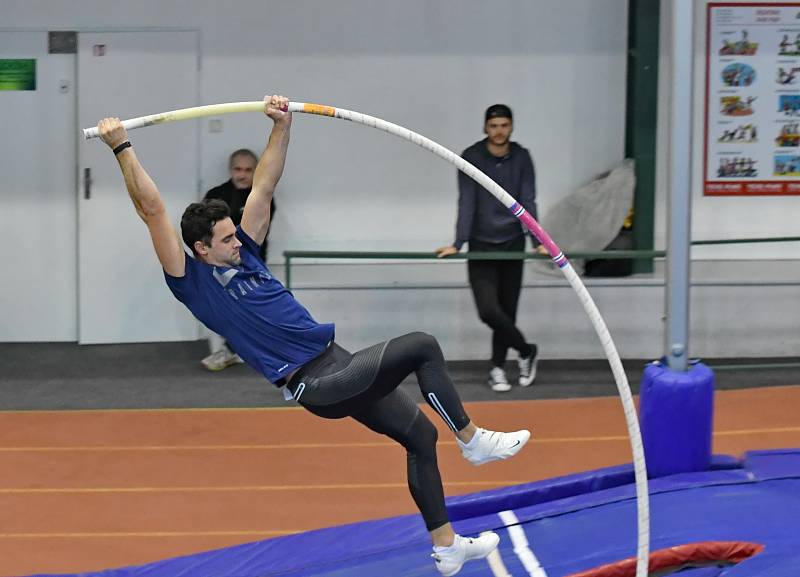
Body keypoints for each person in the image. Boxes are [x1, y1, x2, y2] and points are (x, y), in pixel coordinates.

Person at [96, 94, 531, 577]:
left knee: (421, 436)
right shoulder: (192, 284)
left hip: (337, 361)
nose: (236, 241)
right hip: (316, 383)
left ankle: (446, 547)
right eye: (225, 239)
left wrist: (281, 126)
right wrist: (122, 148)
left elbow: (264, 184)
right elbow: (152, 210)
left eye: (235, 233)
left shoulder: (248, 253)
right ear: (200, 248)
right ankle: (472, 441)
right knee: (422, 345)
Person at [436, 104, 541, 393]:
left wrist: (538, 241)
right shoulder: (471, 157)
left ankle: (497, 368)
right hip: (482, 245)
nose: (499, 131)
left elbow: (528, 201)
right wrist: (458, 243)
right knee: (488, 311)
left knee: (508, 311)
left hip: (512, 244)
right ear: (485, 128)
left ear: (511, 127)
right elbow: (466, 200)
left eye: (504, 125)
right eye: (494, 126)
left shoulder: (521, 157)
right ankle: (526, 349)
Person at [200, 148, 276, 371]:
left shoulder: (261, 197)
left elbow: (255, 234)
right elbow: (202, 232)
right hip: (217, 266)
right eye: (237, 169)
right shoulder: (215, 195)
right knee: (225, 310)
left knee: (255, 310)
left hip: (251, 266)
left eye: (248, 170)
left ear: (255, 171)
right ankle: (233, 349)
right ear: (230, 169)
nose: (242, 174)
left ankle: (237, 350)